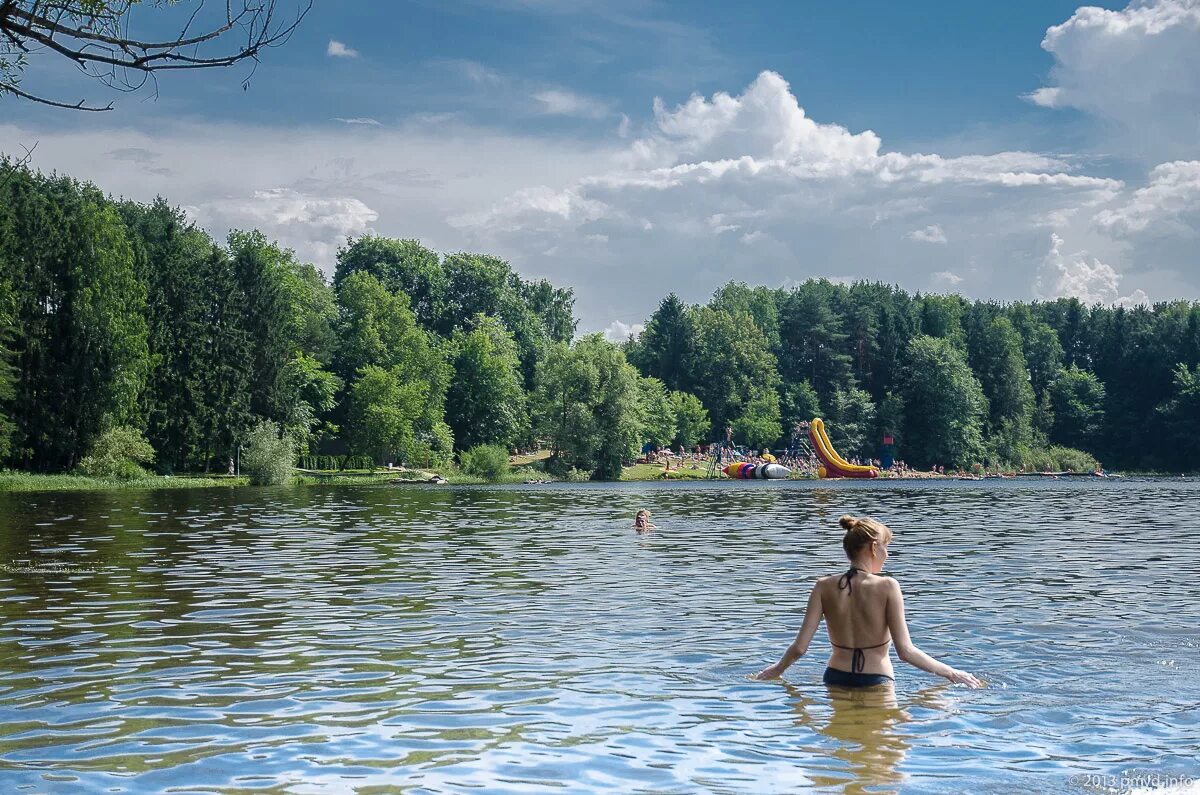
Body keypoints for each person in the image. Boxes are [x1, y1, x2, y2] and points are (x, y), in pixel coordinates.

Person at [755, 514, 980, 688]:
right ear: (874, 547)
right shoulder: (888, 586)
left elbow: (800, 647)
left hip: (835, 678)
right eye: (886, 547)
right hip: (876, 679)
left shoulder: (823, 586)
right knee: (887, 745)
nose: (887, 554)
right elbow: (906, 651)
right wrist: (952, 673)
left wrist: (777, 669)